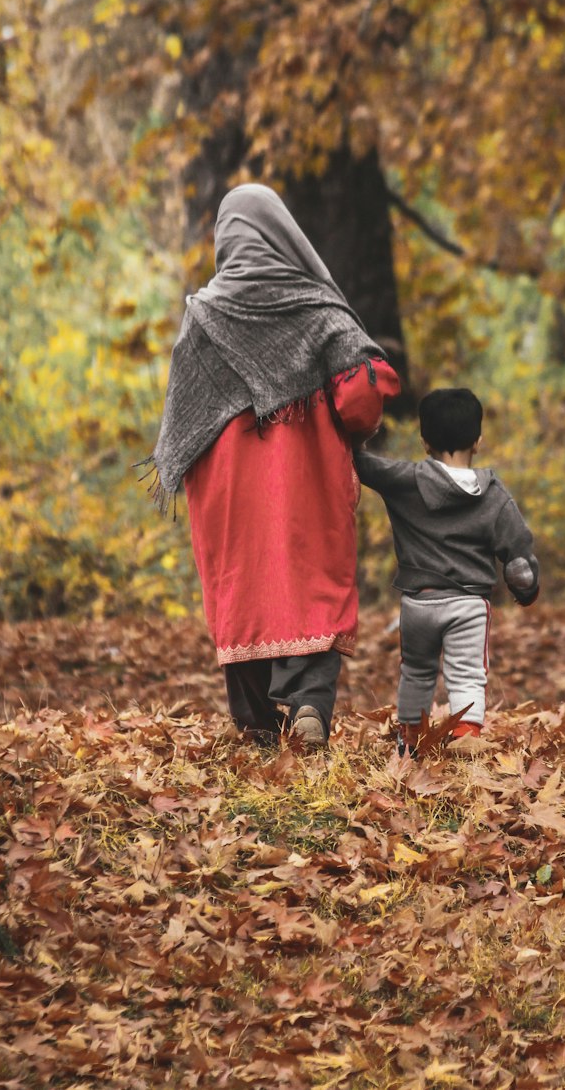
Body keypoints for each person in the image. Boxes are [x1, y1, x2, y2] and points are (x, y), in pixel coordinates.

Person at [142, 183, 400, 747]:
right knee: (311, 581)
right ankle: (309, 702)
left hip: (230, 493)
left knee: (244, 591)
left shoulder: (203, 317)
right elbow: (359, 400)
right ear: (283, 233)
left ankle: (257, 722)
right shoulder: (317, 308)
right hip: (307, 484)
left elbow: (182, 418)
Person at [353, 387, 538, 754]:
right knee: (467, 674)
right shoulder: (494, 494)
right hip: (468, 605)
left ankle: (410, 738)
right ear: (479, 440)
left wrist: (354, 431)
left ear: (424, 442)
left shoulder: (404, 480)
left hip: (418, 604)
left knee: (416, 672)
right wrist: (525, 587)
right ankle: (465, 737)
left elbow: (363, 464)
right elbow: (518, 554)